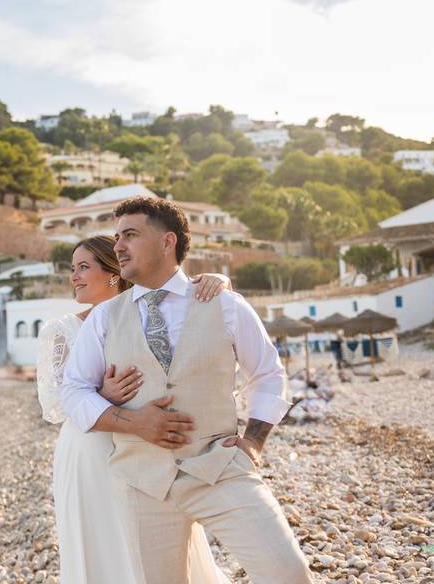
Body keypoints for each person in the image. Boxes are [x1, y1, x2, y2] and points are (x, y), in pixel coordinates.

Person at [61, 197, 313, 584]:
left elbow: (267, 373)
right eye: (116, 238)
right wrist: (133, 423)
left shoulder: (226, 304)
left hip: (219, 466)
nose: (118, 247)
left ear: (167, 242)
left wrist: (254, 443)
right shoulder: (105, 317)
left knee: (287, 572)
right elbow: (75, 391)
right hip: (142, 482)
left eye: (130, 234)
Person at [37, 235, 232, 584]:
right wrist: (101, 393)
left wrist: (219, 282)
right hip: (90, 449)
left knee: (158, 539)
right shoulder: (61, 330)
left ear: (113, 274)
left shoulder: (147, 314)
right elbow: (52, 406)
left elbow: (191, 309)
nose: (74, 276)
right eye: (72, 269)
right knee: (101, 541)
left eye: (84, 267)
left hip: (150, 446)